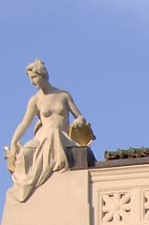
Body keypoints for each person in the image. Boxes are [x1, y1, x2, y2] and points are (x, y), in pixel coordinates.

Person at [5, 59, 91, 200]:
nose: (32, 82)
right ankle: (24, 190)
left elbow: (79, 116)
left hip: (62, 136)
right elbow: (24, 123)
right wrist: (14, 141)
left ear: (42, 74)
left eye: (34, 77)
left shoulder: (63, 95)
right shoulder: (35, 100)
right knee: (25, 154)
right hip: (42, 136)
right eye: (30, 78)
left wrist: (80, 121)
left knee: (54, 133)